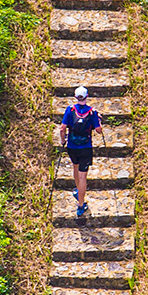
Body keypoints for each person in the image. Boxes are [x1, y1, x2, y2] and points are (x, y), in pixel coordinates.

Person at [58, 85, 105, 221]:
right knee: (83, 176)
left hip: (72, 147)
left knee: (75, 167)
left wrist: (62, 141)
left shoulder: (70, 109)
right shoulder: (92, 112)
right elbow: (98, 130)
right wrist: (99, 120)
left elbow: (62, 128)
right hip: (86, 147)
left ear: (75, 97)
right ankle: (80, 205)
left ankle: (79, 192)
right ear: (87, 97)